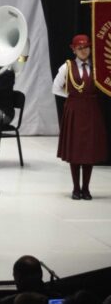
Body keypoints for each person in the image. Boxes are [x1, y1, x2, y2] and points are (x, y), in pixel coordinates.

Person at [53, 34, 107, 200]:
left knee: (88, 151)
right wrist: (73, 96)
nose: (84, 51)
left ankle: (86, 188)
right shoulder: (67, 67)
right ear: (74, 50)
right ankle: (76, 188)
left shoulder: (98, 67)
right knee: (76, 150)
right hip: (75, 110)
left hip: (91, 110)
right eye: (80, 48)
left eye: (86, 47)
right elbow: (55, 88)